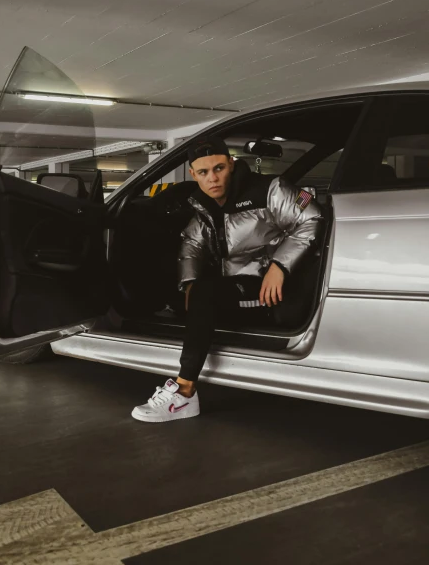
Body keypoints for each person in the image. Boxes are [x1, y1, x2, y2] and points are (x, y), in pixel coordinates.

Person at [131, 136, 322, 422]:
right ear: (193, 175)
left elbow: (311, 217)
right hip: (236, 286)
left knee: (205, 294)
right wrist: (189, 282)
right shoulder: (202, 205)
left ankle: (184, 393)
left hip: (273, 288)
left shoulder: (269, 190)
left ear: (231, 165)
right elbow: (191, 243)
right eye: (204, 173)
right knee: (184, 291)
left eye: (219, 168)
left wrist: (279, 266)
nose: (213, 179)